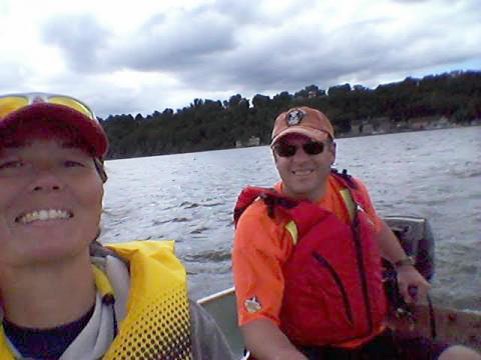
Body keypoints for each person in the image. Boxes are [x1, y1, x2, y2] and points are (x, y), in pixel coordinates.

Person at [232, 106, 481, 359]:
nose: (300, 159)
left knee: (462, 356)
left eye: (312, 147)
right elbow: (257, 327)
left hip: (373, 338)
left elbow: (376, 228)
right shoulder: (260, 223)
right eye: (287, 150)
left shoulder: (351, 192)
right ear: (275, 158)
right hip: (307, 349)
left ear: (332, 152)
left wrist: (404, 266)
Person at [0, 92, 234, 359]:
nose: (46, 180)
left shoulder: (185, 324)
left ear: (101, 185)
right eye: (12, 164)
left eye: (70, 162)